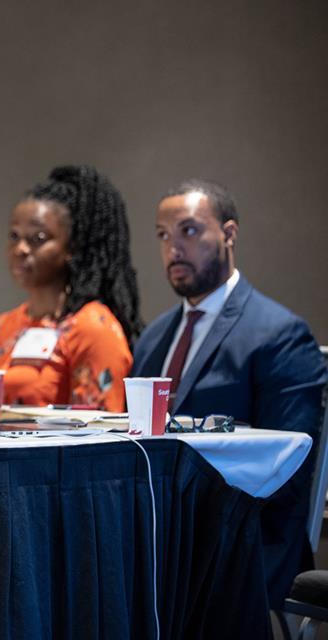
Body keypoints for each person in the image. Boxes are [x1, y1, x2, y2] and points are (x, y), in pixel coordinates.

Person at [131, 178, 327, 606]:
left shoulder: (279, 334)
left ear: (229, 234)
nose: (173, 249)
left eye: (189, 231)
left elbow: (287, 472)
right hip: (155, 530)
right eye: (163, 236)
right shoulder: (153, 339)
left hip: (241, 540)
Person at [0, 165, 143, 411]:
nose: (20, 249)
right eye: (14, 236)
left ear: (72, 248)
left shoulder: (92, 329)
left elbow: (98, 433)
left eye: (38, 239)